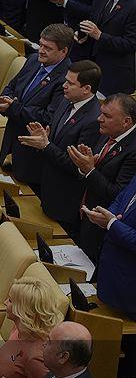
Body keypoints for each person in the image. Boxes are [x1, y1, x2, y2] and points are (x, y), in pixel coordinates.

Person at [18, 60, 101, 239]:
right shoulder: (66, 101)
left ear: (86, 89)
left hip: (64, 200)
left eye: (70, 83)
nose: (64, 86)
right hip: (45, 186)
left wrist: (46, 145)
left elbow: (76, 166)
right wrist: (43, 139)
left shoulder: (94, 120)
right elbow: (53, 142)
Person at [0, 23, 74, 191]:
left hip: (32, 156)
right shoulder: (32, 60)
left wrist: (13, 107)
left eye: (48, 48)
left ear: (63, 51)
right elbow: (11, 86)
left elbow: (48, 118)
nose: (41, 51)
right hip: (11, 140)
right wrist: (6, 99)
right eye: (41, 44)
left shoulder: (67, 80)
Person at [73, 94, 136, 262]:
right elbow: (91, 169)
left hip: (101, 230)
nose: (99, 119)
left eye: (107, 116)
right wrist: (84, 169)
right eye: (101, 113)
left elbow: (117, 194)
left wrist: (89, 170)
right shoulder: (107, 131)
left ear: (126, 121)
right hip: (83, 214)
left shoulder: (133, 150)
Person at [74, 0, 136, 96]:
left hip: (114, 75)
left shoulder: (133, 6)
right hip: (91, 66)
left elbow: (130, 44)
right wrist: (84, 34)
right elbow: (94, 20)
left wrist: (100, 36)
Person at [84, 173, 136, 322]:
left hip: (130, 296)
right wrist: (106, 215)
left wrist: (112, 223)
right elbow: (122, 198)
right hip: (109, 277)